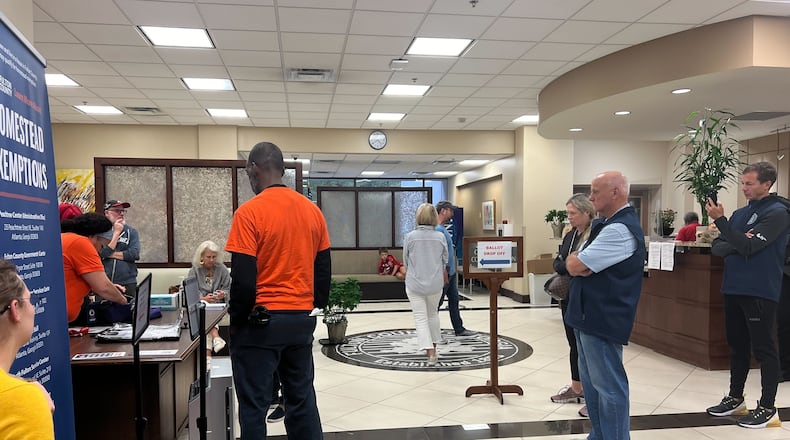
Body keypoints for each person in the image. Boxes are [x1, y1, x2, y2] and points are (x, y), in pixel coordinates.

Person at [226, 141, 330, 439]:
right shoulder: (312, 211)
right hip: (299, 321)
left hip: (260, 323)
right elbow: (323, 269)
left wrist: (237, 322)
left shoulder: (249, 213)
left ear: (254, 169)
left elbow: (244, 279)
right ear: (282, 169)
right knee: (301, 399)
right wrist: (313, 305)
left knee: (254, 406)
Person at [705, 162, 790, 428]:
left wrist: (723, 224)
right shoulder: (741, 214)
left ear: (767, 184)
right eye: (743, 183)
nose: (744, 188)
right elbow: (718, 247)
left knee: (764, 349)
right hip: (733, 287)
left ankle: (767, 406)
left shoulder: (777, 213)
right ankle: (735, 397)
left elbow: (750, 246)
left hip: (759, 289)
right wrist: (738, 240)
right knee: (737, 346)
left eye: (749, 183)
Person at [565, 171, 645, 440]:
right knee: (593, 388)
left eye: (596, 191)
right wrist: (578, 262)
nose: (590, 197)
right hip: (587, 317)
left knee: (609, 388)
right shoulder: (605, 225)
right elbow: (572, 261)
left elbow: (575, 264)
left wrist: (579, 262)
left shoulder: (620, 230)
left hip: (603, 319)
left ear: (616, 192)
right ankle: (599, 435)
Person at [550, 194, 595, 417]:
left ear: (586, 212)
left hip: (586, 296)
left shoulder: (594, 233)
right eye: (568, 213)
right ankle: (577, 388)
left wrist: (568, 264)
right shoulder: (571, 234)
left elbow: (584, 265)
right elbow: (559, 261)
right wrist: (569, 265)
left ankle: (593, 396)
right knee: (573, 342)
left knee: (587, 348)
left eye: (573, 214)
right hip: (568, 294)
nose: (569, 217)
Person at [0, 260, 55, 440]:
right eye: (30, 300)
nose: (33, 309)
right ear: (15, 309)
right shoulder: (22, 402)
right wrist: (29, 399)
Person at [61, 213, 129, 324]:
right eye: (102, 246)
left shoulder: (68, 239)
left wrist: (102, 288)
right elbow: (104, 288)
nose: (100, 251)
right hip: (63, 320)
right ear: (94, 236)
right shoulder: (80, 243)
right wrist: (124, 302)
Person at [403, 203, 448, 365]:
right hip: (435, 284)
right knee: (433, 315)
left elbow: (406, 261)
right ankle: (434, 348)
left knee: (421, 318)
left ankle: (430, 353)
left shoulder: (410, 237)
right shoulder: (440, 237)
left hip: (415, 284)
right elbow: (445, 260)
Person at [435, 200, 473, 337]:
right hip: (444, 273)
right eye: (450, 211)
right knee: (437, 303)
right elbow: (440, 254)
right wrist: (445, 270)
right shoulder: (438, 230)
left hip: (450, 273)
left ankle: (459, 328)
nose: (452, 214)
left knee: (454, 300)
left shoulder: (443, 228)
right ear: (443, 211)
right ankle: (432, 330)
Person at [187, 241, 230, 356]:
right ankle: (216, 338)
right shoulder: (194, 270)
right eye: (208, 257)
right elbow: (189, 291)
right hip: (202, 305)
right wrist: (203, 298)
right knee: (203, 309)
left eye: (214, 257)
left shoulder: (222, 269)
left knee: (203, 315)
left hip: (219, 306)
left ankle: (207, 358)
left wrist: (223, 294)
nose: (212, 260)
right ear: (201, 256)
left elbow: (228, 289)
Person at [100, 200, 140, 298]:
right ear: (107, 213)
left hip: (128, 282)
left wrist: (108, 254)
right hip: (104, 282)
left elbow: (134, 254)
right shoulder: (100, 232)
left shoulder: (131, 231)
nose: (121, 214)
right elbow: (98, 254)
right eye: (117, 211)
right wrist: (117, 232)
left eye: (123, 211)